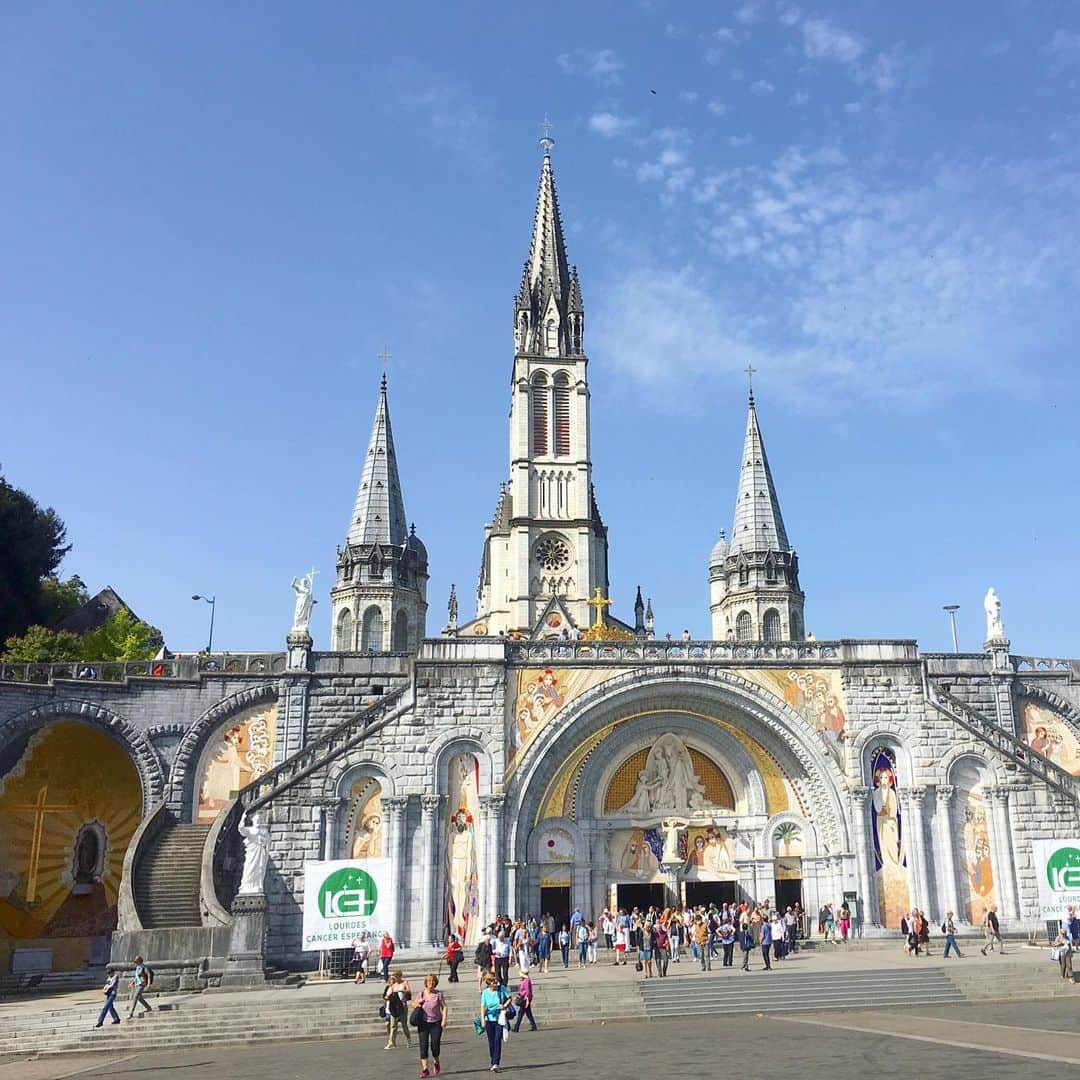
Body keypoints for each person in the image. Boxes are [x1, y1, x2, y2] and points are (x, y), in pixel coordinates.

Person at [414, 972, 447, 1077]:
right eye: (428, 981)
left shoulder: (438, 994)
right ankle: (425, 1069)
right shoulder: (421, 994)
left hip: (436, 1023)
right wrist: (418, 1003)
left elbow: (444, 1007)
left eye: (432, 981)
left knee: (435, 1046)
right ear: (426, 983)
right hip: (423, 1023)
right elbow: (413, 1004)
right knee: (423, 1046)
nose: (431, 983)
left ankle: (436, 1062)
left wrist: (444, 1019)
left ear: (435, 983)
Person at [480, 972, 510, 1072]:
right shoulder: (485, 992)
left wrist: (504, 1005)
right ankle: (493, 1060)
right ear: (488, 982)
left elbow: (509, 998)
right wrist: (483, 1019)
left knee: (497, 1040)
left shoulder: (501, 989)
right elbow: (483, 1007)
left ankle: (496, 1063)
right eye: (493, 981)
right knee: (491, 1041)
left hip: (499, 1019)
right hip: (489, 1019)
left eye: (495, 980)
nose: (495, 982)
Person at [382, 969, 412, 1049]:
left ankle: (408, 1039)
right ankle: (392, 1043)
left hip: (402, 1005)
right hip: (394, 1006)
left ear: (400, 976)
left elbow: (409, 991)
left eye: (396, 977)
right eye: (394, 977)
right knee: (393, 1025)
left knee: (404, 1025)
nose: (395, 979)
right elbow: (389, 994)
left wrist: (403, 990)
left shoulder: (405, 982)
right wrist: (387, 997)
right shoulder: (393, 985)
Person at [511, 966, 537, 1032]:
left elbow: (527, 991)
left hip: (525, 999)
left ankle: (516, 1027)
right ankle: (533, 1026)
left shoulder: (526, 981)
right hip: (525, 998)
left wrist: (527, 999)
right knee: (528, 1013)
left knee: (521, 1013)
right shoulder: (526, 980)